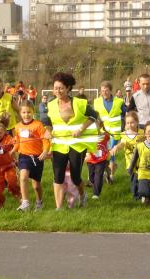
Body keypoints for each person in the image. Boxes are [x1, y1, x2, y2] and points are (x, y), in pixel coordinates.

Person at [44, 72, 101, 210]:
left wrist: (81, 128)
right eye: (55, 88)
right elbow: (47, 121)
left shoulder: (79, 103)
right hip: (59, 144)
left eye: (61, 88)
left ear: (68, 88)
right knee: (58, 175)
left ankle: (82, 196)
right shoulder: (50, 105)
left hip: (77, 143)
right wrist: (47, 131)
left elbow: (94, 116)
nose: (58, 91)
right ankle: (59, 208)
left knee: (76, 177)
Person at [12, 101, 50, 211]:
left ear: (33, 112)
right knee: (23, 177)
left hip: (37, 157)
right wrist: (13, 150)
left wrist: (45, 151)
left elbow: (45, 139)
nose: (26, 115)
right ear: (20, 113)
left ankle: (39, 202)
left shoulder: (38, 125)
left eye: (29, 112)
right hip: (24, 156)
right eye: (23, 112)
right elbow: (18, 141)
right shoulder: (17, 126)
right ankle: (25, 203)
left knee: (36, 185)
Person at [93, 80, 126, 183]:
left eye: (106, 91)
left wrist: (125, 126)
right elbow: (95, 117)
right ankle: (109, 169)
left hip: (115, 132)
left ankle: (111, 175)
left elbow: (126, 114)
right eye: (102, 91)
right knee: (104, 152)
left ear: (110, 91)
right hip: (103, 132)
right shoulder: (96, 102)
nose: (104, 93)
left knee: (111, 153)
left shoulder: (119, 101)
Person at [110, 111, 145, 199]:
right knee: (134, 178)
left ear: (137, 122)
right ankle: (136, 196)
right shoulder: (124, 134)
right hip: (130, 161)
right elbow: (122, 143)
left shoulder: (142, 132)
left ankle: (143, 193)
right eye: (128, 123)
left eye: (132, 122)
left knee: (141, 178)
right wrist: (116, 147)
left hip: (141, 161)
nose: (130, 125)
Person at [0, 116, 21, 201]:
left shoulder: (8, 139)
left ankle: (17, 194)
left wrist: (15, 143)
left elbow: (15, 144)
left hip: (8, 165)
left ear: (5, 132)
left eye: (0, 133)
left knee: (12, 181)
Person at [86, 132, 110, 199]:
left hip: (101, 159)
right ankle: (98, 179)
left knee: (98, 175)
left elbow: (108, 146)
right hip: (90, 159)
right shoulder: (88, 135)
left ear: (100, 126)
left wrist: (108, 152)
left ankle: (96, 194)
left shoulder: (105, 136)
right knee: (91, 177)